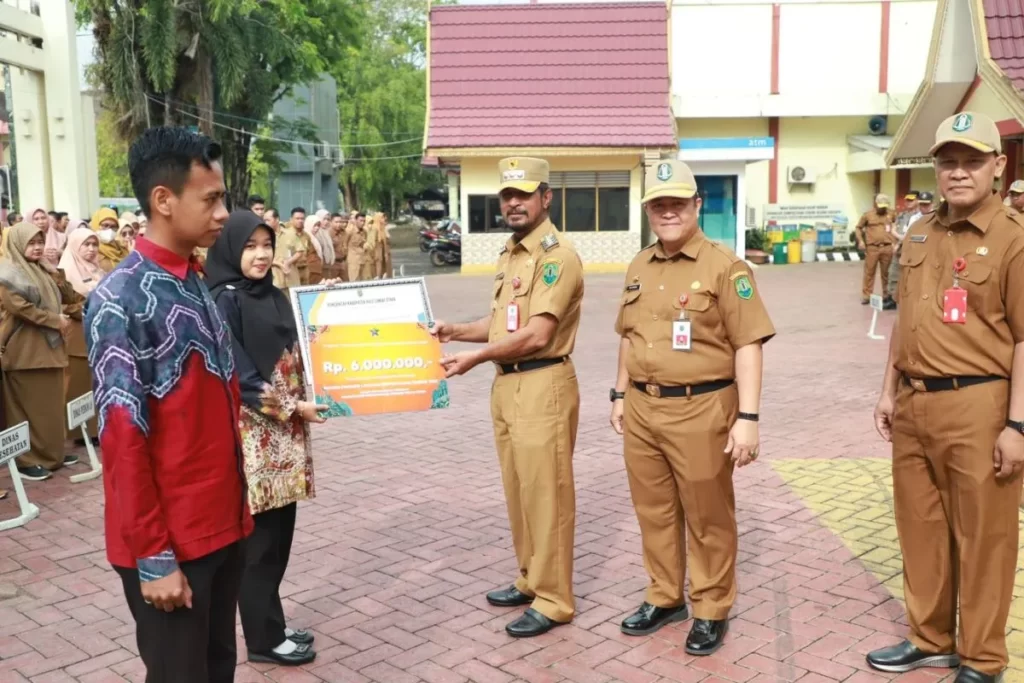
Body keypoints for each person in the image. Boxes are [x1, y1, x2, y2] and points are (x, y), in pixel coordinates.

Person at [85, 127, 252, 683]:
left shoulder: (194, 280)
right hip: (170, 542)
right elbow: (122, 437)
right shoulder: (120, 300)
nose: (224, 213)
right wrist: (154, 556)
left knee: (217, 669)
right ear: (163, 200)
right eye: (211, 199)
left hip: (220, 525)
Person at [868, 111, 1024, 683]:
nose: (958, 172)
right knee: (920, 527)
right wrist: (888, 392)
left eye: (972, 160)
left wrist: (1018, 426)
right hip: (913, 402)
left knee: (984, 536)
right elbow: (905, 322)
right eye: (948, 161)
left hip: (979, 405)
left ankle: (983, 658)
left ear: (998, 166)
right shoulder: (920, 232)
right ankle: (932, 638)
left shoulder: (1012, 239)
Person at [610, 159, 774, 652]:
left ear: (696, 205)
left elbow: (749, 343)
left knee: (708, 515)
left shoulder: (726, 267)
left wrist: (748, 418)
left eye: (677, 203)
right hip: (643, 407)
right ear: (648, 211)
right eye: (658, 205)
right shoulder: (639, 264)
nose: (668, 212)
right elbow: (628, 335)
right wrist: (619, 393)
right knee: (654, 510)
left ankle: (710, 606)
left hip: (701, 408)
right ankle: (665, 597)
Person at [430, 157, 584, 638]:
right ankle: (530, 579)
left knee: (547, 495)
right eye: (507, 195)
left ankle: (555, 599)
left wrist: (474, 359)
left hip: (543, 383)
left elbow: (538, 334)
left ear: (546, 197)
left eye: (524, 193)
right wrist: (455, 331)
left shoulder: (557, 257)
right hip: (508, 384)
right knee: (519, 491)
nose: (514, 202)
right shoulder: (511, 252)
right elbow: (502, 325)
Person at [206, 210, 325, 666]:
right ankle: (261, 641)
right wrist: (294, 408)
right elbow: (240, 377)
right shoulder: (224, 300)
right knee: (258, 549)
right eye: (250, 246)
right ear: (231, 250)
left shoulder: (271, 295)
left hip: (287, 439)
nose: (260, 254)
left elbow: (301, 343)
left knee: (279, 542)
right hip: (255, 442)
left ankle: (270, 625)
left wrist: (324, 308)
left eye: (265, 245)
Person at [0, 221, 84, 481]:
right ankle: (27, 460)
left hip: (49, 348)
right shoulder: (7, 273)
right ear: (17, 243)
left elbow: (69, 298)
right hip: (24, 350)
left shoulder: (41, 271)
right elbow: (19, 307)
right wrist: (54, 320)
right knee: (24, 409)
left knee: (48, 406)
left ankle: (52, 453)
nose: (37, 248)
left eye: (40, 242)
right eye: (31, 243)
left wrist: (54, 273)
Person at [58, 223, 103, 445]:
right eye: (86, 244)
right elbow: (66, 305)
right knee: (78, 383)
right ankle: (79, 432)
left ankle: (95, 429)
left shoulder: (98, 269)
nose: (91, 249)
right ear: (75, 245)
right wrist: (92, 310)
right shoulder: (65, 271)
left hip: (99, 334)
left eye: (94, 244)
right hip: (77, 335)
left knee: (95, 381)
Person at [855, 194, 898, 306]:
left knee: (887, 273)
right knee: (869, 272)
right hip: (872, 248)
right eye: (880, 205)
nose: (882, 208)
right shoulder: (868, 215)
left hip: (887, 247)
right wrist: (860, 241)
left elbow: (897, 226)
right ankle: (867, 295)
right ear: (875, 204)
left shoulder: (892, 214)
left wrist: (896, 242)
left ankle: (887, 295)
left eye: (884, 206)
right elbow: (858, 228)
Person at [286, 208, 313, 285]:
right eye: (297, 218)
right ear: (291, 219)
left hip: (305, 269)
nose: (300, 221)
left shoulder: (306, 236)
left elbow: (309, 251)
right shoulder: (286, 234)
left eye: (302, 218)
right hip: (292, 269)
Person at [302, 215, 324, 285]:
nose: (317, 228)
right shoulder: (305, 237)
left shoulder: (314, 237)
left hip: (317, 269)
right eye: (314, 225)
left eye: (318, 226)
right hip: (311, 270)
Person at [346, 213, 368, 282]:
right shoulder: (349, 231)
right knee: (354, 281)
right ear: (355, 220)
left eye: (364, 221)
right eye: (361, 220)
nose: (362, 223)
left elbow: (363, 243)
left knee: (363, 281)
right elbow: (344, 244)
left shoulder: (364, 231)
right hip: (353, 261)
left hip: (362, 259)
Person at [329, 213, 349, 281]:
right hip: (333, 264)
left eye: (340, 222)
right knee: (333, 284)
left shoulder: (344, 232)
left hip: (343, 262)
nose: (339, 224)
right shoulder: (328, 234)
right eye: (336, 222)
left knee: (346, 283)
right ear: (331, 222)